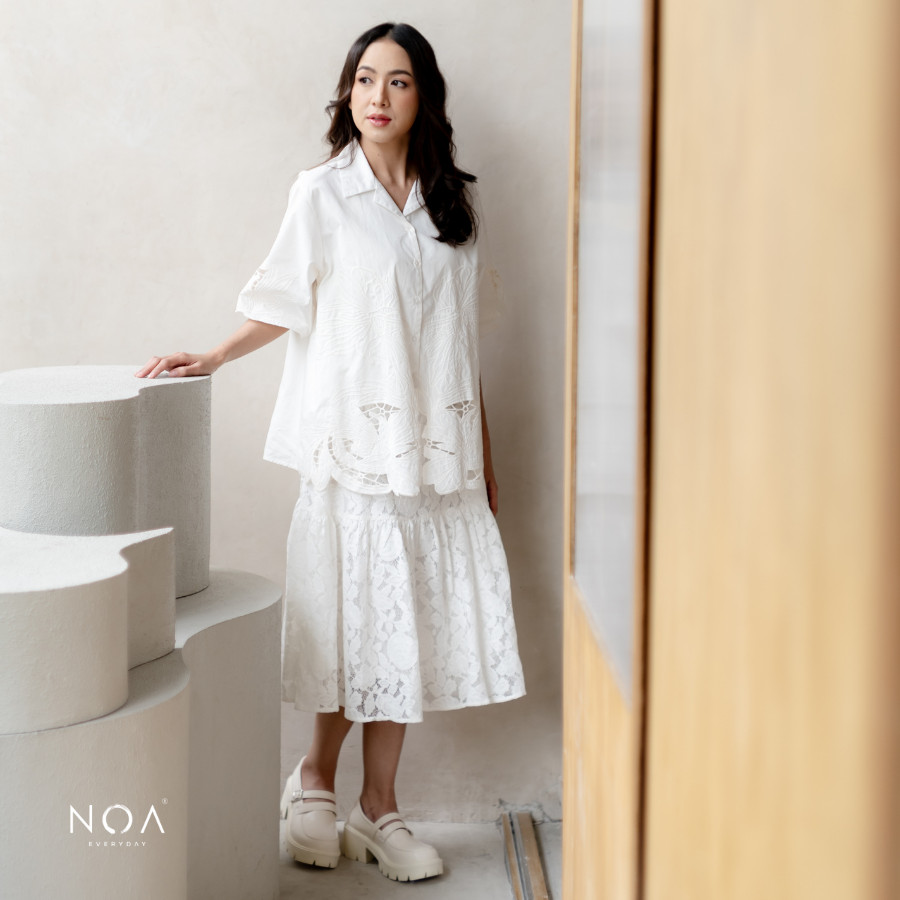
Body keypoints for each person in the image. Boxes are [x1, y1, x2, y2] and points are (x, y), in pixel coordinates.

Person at [136, 21, 525, 883]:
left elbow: (458, 344)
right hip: (358, 449)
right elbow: (284, 299)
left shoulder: (454, 204)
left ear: (424, 97)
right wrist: (214, 354)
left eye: (398, 81)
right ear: (347, 92)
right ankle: (313, 777)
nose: (378, 97)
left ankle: (379, 806)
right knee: (355, 619)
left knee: (404, 625)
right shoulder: (321, 193)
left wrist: (483, 456)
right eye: (365, 79)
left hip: (438, 458)